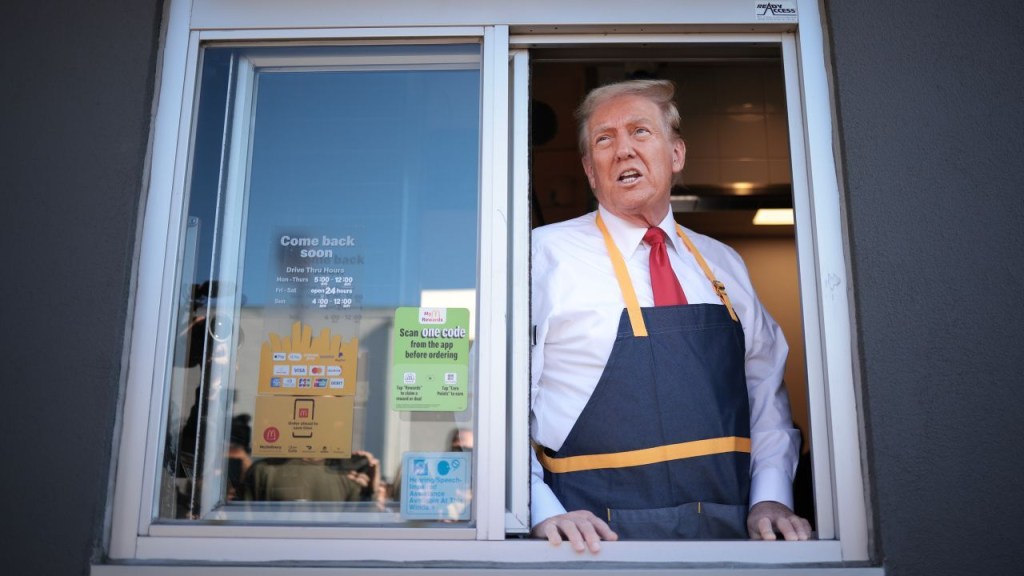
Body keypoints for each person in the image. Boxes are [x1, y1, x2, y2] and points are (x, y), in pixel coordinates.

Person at [529, 79, 810, 553]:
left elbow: (764, 393)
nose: (623, 151)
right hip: (590, 544)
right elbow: (498, 402)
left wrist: (772, 498)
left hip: (731, 544)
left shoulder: (724, 264)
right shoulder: (542, 256)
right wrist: (540, 508)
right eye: (604, 139)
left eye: (640, 132)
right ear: (589, 171)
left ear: (676, 155)